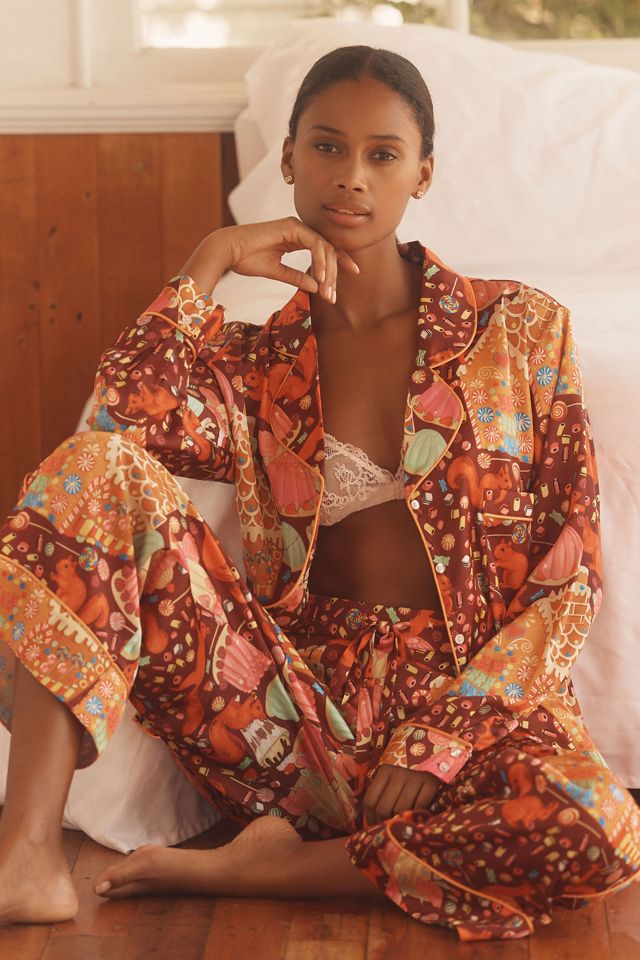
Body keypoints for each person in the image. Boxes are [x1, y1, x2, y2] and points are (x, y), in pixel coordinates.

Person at [0, 45, 638, 942]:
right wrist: (210, 261)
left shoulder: (520, 330)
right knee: (89, 470)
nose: (352, 177)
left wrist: (446, 733)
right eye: (329, 147)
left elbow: (568, 578)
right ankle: (25, 855)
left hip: (470, 714)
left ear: (423, 173)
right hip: (287, 715)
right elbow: (111, 430)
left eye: (383, 154)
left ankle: (280, 869)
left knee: (598, 825)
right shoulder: (254, 358)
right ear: (290, 159)